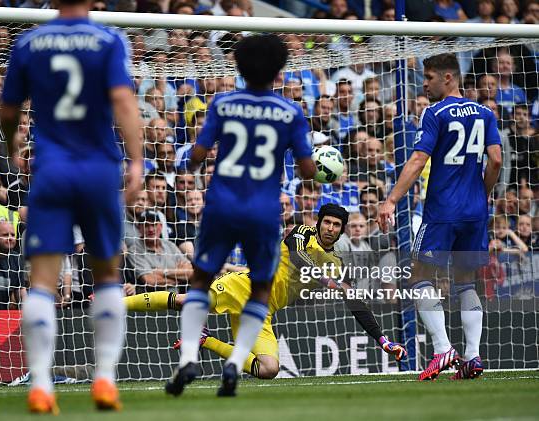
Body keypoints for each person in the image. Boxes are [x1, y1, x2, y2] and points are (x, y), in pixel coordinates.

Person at [0, 0, 143, 413]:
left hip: (52, 170)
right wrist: (135, 160)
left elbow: (9, 110)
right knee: (107, 274)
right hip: (99, 169)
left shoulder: (29, 42)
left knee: (43, 280)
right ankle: (104, 380)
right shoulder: (108, 39)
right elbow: (123, 100)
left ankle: (42, 384)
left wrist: (12, 144)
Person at [166, 34, 316, 398]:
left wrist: (198, 157)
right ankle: (234, 365)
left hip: (222, 205)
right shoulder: (290, 112)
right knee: (260, 290)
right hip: (263, 211)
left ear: (238, 66)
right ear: (280, 70)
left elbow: (198, 155)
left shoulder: (223, 103)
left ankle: (188, 357)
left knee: (200, 282)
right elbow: (309, 170)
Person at [126, 205, 406, 379]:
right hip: (244, 285)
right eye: (327, 222)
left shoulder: (336, 264)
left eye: (336, 225)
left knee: (269, 369)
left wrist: (383, 341)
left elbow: (354, 302)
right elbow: (297, 256)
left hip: (264, 310)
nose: (330, 228)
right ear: (319, 222)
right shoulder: (302, 233)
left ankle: (206, 340)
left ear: (342, 230)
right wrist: (324, 279)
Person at [378, 53, 502, 381]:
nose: (425, 84)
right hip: (475, 212)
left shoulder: (435, 112)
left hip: (442, 212)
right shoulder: (486, 113)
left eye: (429, 77)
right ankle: (473, 357)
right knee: (465, 282)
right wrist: (482, 194)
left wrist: (391, 200)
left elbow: (418, 159)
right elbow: (496, 161)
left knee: (418, 276)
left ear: (448, 78)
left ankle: (443, 347)